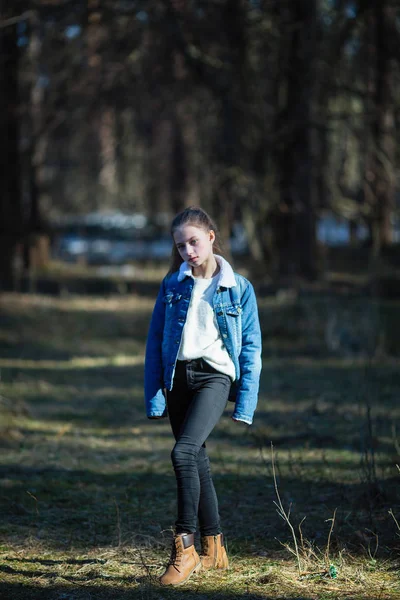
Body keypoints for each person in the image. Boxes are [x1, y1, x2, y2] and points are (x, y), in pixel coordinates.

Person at [144, 206, 262, 586]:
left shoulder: (239, 287)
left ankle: (186, 548)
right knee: (197, 458)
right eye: (181, 246)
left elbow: (251, 350)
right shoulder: (172, 286)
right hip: (179, 378)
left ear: (211, 237)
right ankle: (215, 549)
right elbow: (154, 344)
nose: (188, 251)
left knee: (182, 452)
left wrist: (245, 402)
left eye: (194, 242)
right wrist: (155, 394)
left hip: (215, 377)